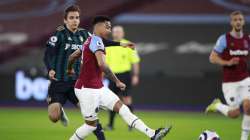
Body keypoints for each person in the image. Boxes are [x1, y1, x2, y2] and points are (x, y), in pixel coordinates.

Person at [67, 15, 171, 140]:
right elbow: (102, 64)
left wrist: (69, 69)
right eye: (108, 27)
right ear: (99, 26)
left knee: (123, 108)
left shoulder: (91, 40)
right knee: (91, 126)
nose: (110, 30)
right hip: (86, 90)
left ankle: (152, 134)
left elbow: (72, 56)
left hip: (98, 87)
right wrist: (117, 81)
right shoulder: (96, 41)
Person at [43, 5, 133, 140]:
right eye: (71, 18)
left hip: (77, 83)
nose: (75, 20)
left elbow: (101, 42)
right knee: (53, 117)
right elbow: (47, 55)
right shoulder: (59, 34)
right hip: (59, 82)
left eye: (77, 18)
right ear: (65, 20)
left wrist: (120, 44)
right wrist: (50, 69)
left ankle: (101, 137)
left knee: (90, 115)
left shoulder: (85, 34)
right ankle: (60, 110)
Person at [206, 11, 250, 140]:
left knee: (248, 106)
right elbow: (212, 58)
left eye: (240, 19)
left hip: (245, 78)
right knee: (235, 114)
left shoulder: (247, 39)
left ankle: (244, 138)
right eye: (235, 19)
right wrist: (227, 62)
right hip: (230, 82)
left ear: (243, 22)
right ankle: (217, 105)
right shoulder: (224, 39)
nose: (238, 22)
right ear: (231, 22)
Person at [105, 25, 140, 131]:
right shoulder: (108, 46)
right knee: (112, 101)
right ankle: (110, 125)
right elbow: (104, 63)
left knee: (127, 99)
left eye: (119, 31)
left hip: (125, 75)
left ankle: (132, 124)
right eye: (115, 31)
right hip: (112, 76)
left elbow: (135, 62)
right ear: (112, 33)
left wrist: (135, 75)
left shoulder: (128, 45)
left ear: (123, 33)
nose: (117, 33)